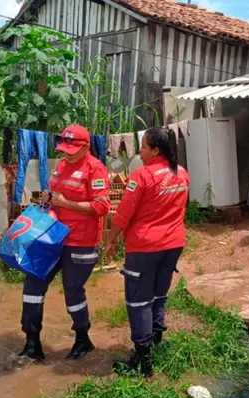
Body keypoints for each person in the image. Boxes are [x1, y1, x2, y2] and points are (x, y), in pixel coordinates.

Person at [17, 124, 111, 362]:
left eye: (72, 149)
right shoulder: (60, 165)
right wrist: (49, 200)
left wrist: (65, 203)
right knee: (33, 282)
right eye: (64, 149)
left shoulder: (96, 169)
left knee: (73, 290)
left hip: (81, 241)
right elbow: (53, 193)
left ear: (86, 146)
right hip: (53, 238)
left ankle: (83, 339)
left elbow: (102, 208)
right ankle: (32, 344)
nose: (67, 153)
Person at [103, 126, 190, 377]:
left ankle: (143, 362)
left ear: (155, 149)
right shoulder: (182, 173)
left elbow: (123, 214)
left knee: (138, 300)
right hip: (173, 244)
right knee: (159, 294)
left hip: (145, 247)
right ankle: (156, 340)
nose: (139, 153)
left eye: (142, 148)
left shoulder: (141, 176)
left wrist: (110, 240)